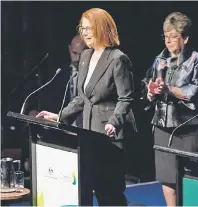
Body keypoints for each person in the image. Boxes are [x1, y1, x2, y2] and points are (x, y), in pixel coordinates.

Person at [36, 8, 137, 206]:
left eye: (90, 28)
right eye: (83, 28)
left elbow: (126, 98)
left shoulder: (118, 58)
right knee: (86, 190)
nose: (86, 33)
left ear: (102, 28)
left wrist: (114, 122)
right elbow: (82, 98)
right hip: (87, 134)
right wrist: (59, 116)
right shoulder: (85, 56)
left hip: (109, 136)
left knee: (109, 194)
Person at [142, 12, 198, 206]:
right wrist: (150, 92)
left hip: (187, 129)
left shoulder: (197, 60)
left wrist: (169, 90)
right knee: (167, 178)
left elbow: (197, 91)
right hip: (163, 127)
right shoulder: (159, 59)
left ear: (185, 38)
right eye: (166, 36)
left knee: (189, 181)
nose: (169, 41)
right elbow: (147, 84)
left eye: (174, 36)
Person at [68, 34, 86, 127]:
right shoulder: (58, 73)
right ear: (69, 49)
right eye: (74, 53)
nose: (78, 59)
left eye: (81, 54)